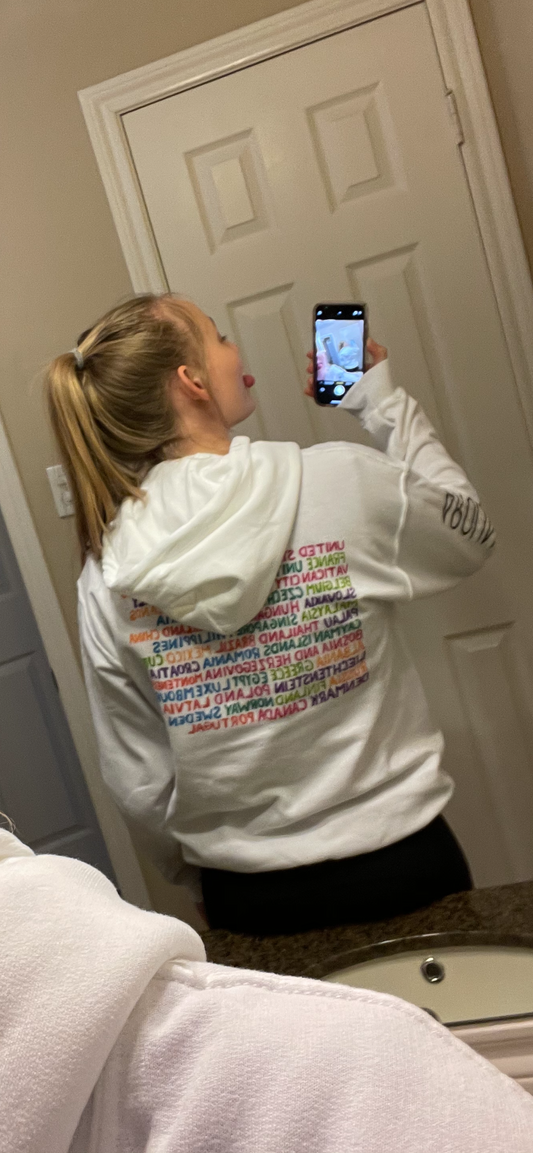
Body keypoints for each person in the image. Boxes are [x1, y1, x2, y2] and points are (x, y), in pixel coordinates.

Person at [45, 293, 495, 935]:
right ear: (191, 381)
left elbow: (137, 778)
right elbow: (471, 533)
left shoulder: (105, 571)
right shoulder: (341, 483)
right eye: (219, 337)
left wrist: (192, 879)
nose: (236, 352)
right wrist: (380, 401)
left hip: (250, 901)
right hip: (405, 868)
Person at [2, 827, 533, 1153]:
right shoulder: (376, 1068)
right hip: (384, 844)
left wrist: (183, 871)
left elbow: (138, 771)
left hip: (249, 872)